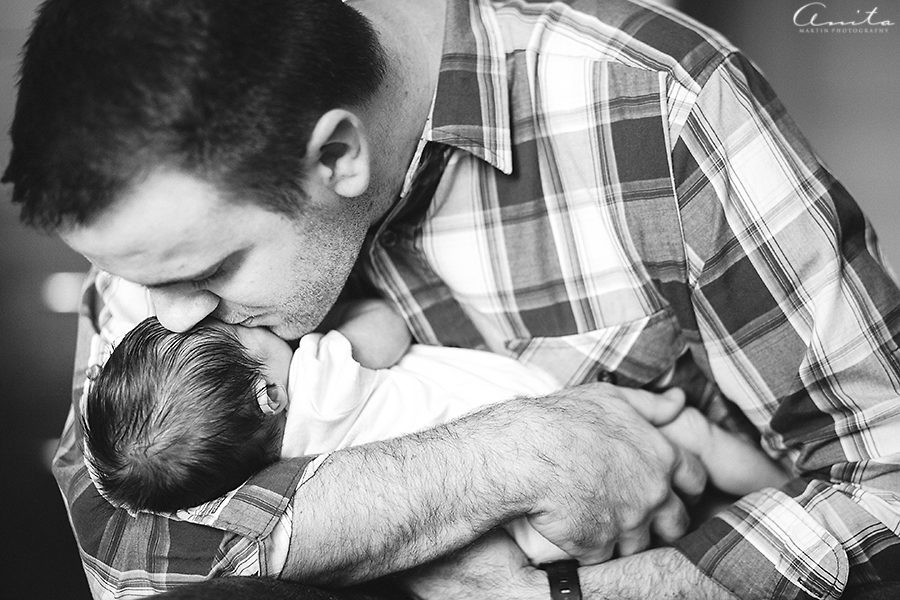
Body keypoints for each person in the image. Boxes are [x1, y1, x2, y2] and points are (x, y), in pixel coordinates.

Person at [4, 0, 900, 598]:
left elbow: (886, 492)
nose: (165, 317)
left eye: (207, 271)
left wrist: (569, 591)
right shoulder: (174, 221)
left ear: (336, 156)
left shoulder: (661, 105)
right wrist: (499, 463)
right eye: (141, 279)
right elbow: (125, 559)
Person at [82, 308, 788, 563]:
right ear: (269, 393)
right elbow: (388, 330)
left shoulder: (291, 468)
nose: (245, 320)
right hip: (550, 419)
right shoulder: (322, 374)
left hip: (528, 531)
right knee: (684, 429)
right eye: (241, 334)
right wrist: (344, 320)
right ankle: (786, 489)